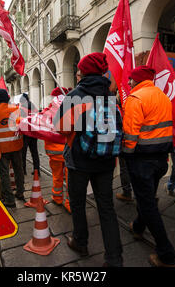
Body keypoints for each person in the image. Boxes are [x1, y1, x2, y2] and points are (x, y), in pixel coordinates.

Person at [55, 52, 123, 267]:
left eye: (79, 69)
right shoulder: (110, 94)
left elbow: (61, 128)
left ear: (84, 72)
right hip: (105, 160)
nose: (76, 72)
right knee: (106, 208)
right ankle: (114, 258)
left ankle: (81, 241)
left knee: (77, 203)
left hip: (79, 160)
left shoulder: (75, 95)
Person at [122, 65, 175, 267]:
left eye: (130, 79)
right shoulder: (163, 97)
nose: (128, 83)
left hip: (141, 161)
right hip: (161, 159)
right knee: (147, 199)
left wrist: (127, 156)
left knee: (148, 204)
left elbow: (130, 134)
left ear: (137, 80)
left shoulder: (135, 98)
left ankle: (166, 254)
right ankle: (138, 227)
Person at [0, 89, 25, 208]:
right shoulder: (15, 109)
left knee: (4, 174)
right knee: (19, 170)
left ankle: (9, 200)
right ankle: (20, 192)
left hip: (2, 148)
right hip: (16, 145)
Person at [44, 87, 70, 213]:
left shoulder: (49, 110)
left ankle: (57, 198)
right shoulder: (71, 107)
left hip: (54, 151)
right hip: (68, 150)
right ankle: (70, 203)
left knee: (57, 176)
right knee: (71, 179)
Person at [19, 93, 40, 176]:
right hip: (34, 133)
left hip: (25, 134)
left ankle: (23, 170)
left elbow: (20, 121)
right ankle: (37, 170)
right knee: (34, 152)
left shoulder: (21, 109)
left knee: (23, 153)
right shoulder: (33, 107)